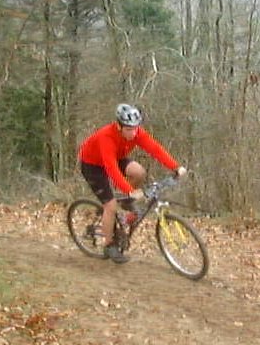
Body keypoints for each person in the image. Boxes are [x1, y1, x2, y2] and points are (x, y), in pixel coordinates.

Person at [78, 103, 187, 264]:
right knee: (111, 206)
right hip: (93, 165)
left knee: (139, 172)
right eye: (129, 129)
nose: (133, 133)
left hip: (116, 157)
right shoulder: (106, 137)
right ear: (119, 126)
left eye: (135, 128)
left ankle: (127, 203)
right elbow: (111, 168)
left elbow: (155, 149)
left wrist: (175, 167)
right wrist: (129, 189)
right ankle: (109, 245)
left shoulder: (137, 133)